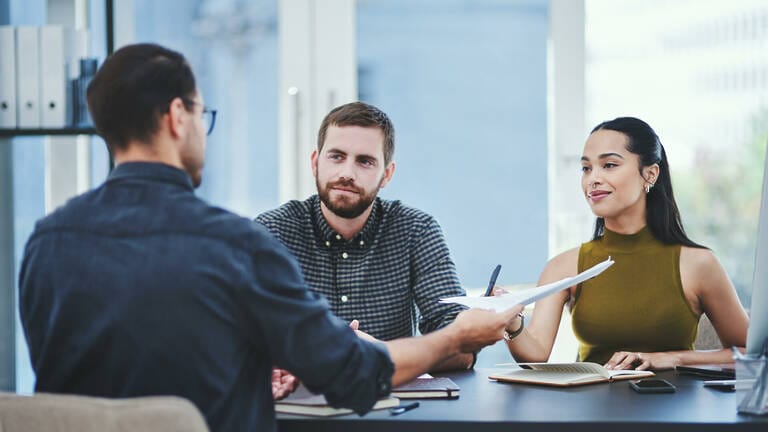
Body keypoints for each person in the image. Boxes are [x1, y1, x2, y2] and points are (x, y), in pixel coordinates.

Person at [17, 43, 521, 432]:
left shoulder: (46, 241)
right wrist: (456, 335)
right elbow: (352, 374)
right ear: (177, 117)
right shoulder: (236, 245)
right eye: (201, 117)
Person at [499, 116, 748, 370]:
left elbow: (750, 353)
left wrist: (674, 358)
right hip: (593, 405)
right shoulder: (563, 267)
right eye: (586, 168)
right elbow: (536, 353)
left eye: (608, 165)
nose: (592, 179)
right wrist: (513, 324)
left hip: (675, 406)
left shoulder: (699, 264)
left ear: (649, 174)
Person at [256, 102, 473, 370]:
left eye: (365, 161)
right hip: (295, 402)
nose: (347, 173)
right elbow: (238, 335)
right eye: (336, 156)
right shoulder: (271, 232)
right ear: (315, 163)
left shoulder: (416, 230)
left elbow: (461, 346)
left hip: (394, 403)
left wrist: (378, 353)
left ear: (387, 175)